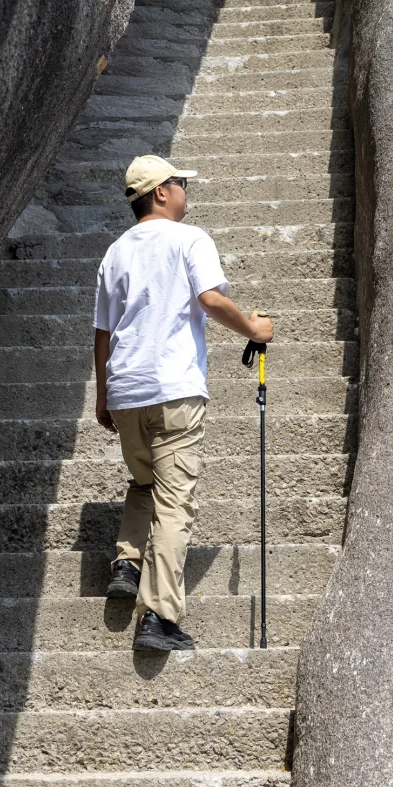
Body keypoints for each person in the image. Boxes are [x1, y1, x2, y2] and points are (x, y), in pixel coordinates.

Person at [93, 153, 274, 652]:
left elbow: (102, 333)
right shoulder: (190, 239)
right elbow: (211, 300)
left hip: (126, 390)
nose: (185, 191)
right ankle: (158, 616)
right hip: (173, 388)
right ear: (161, 192)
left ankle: (127, 564)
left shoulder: (114, 253)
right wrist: (255, 328)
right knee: (174, 502)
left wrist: (103, 395)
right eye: (180, 183)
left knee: (144, 482)